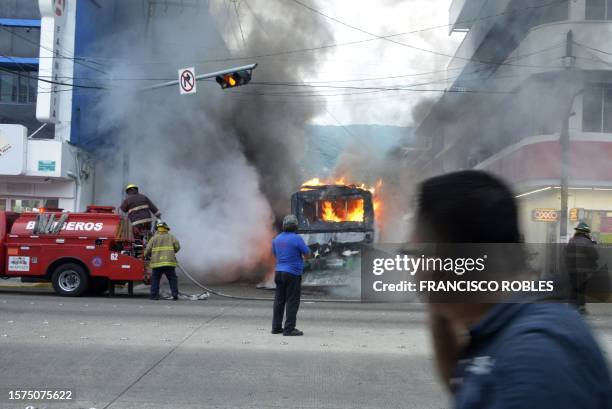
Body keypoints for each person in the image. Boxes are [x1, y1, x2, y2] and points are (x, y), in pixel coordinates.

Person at [412, 170, 612, 409]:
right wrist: (439, 306)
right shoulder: (505, 326)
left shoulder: (534, 360)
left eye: (413, 254)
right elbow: (466, 388)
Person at [272, 214, 310, 336]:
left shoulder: (276, 239)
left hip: (279, 272)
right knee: (292, 301)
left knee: (279, 301)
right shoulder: (297, 238)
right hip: (292, 273)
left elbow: (275, 254)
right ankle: (289, 329)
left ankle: (276, 327)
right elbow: (307, 254)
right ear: (295, 227)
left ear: (284, 226)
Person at [565, 221, 599, 315]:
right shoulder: (587, 242)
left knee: (573, 288)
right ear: (586, 232)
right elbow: (595, 256)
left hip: (571, 270)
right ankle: (581, 308)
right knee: (581, 289)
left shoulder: (571, 241)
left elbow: (566, 254)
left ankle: (570, 308)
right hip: (582, 270)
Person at [145, 221, 180, 301]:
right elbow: (178, 246)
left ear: (157, 229)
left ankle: (154, 296)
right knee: (172, 278)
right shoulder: (171, 237)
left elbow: (148, 249)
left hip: (157, 263)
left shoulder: (154, 238)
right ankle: (174, 294)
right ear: (166, 228)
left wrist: (145, 255)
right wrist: (172, 252)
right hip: (169, 262)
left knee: (155, 279)